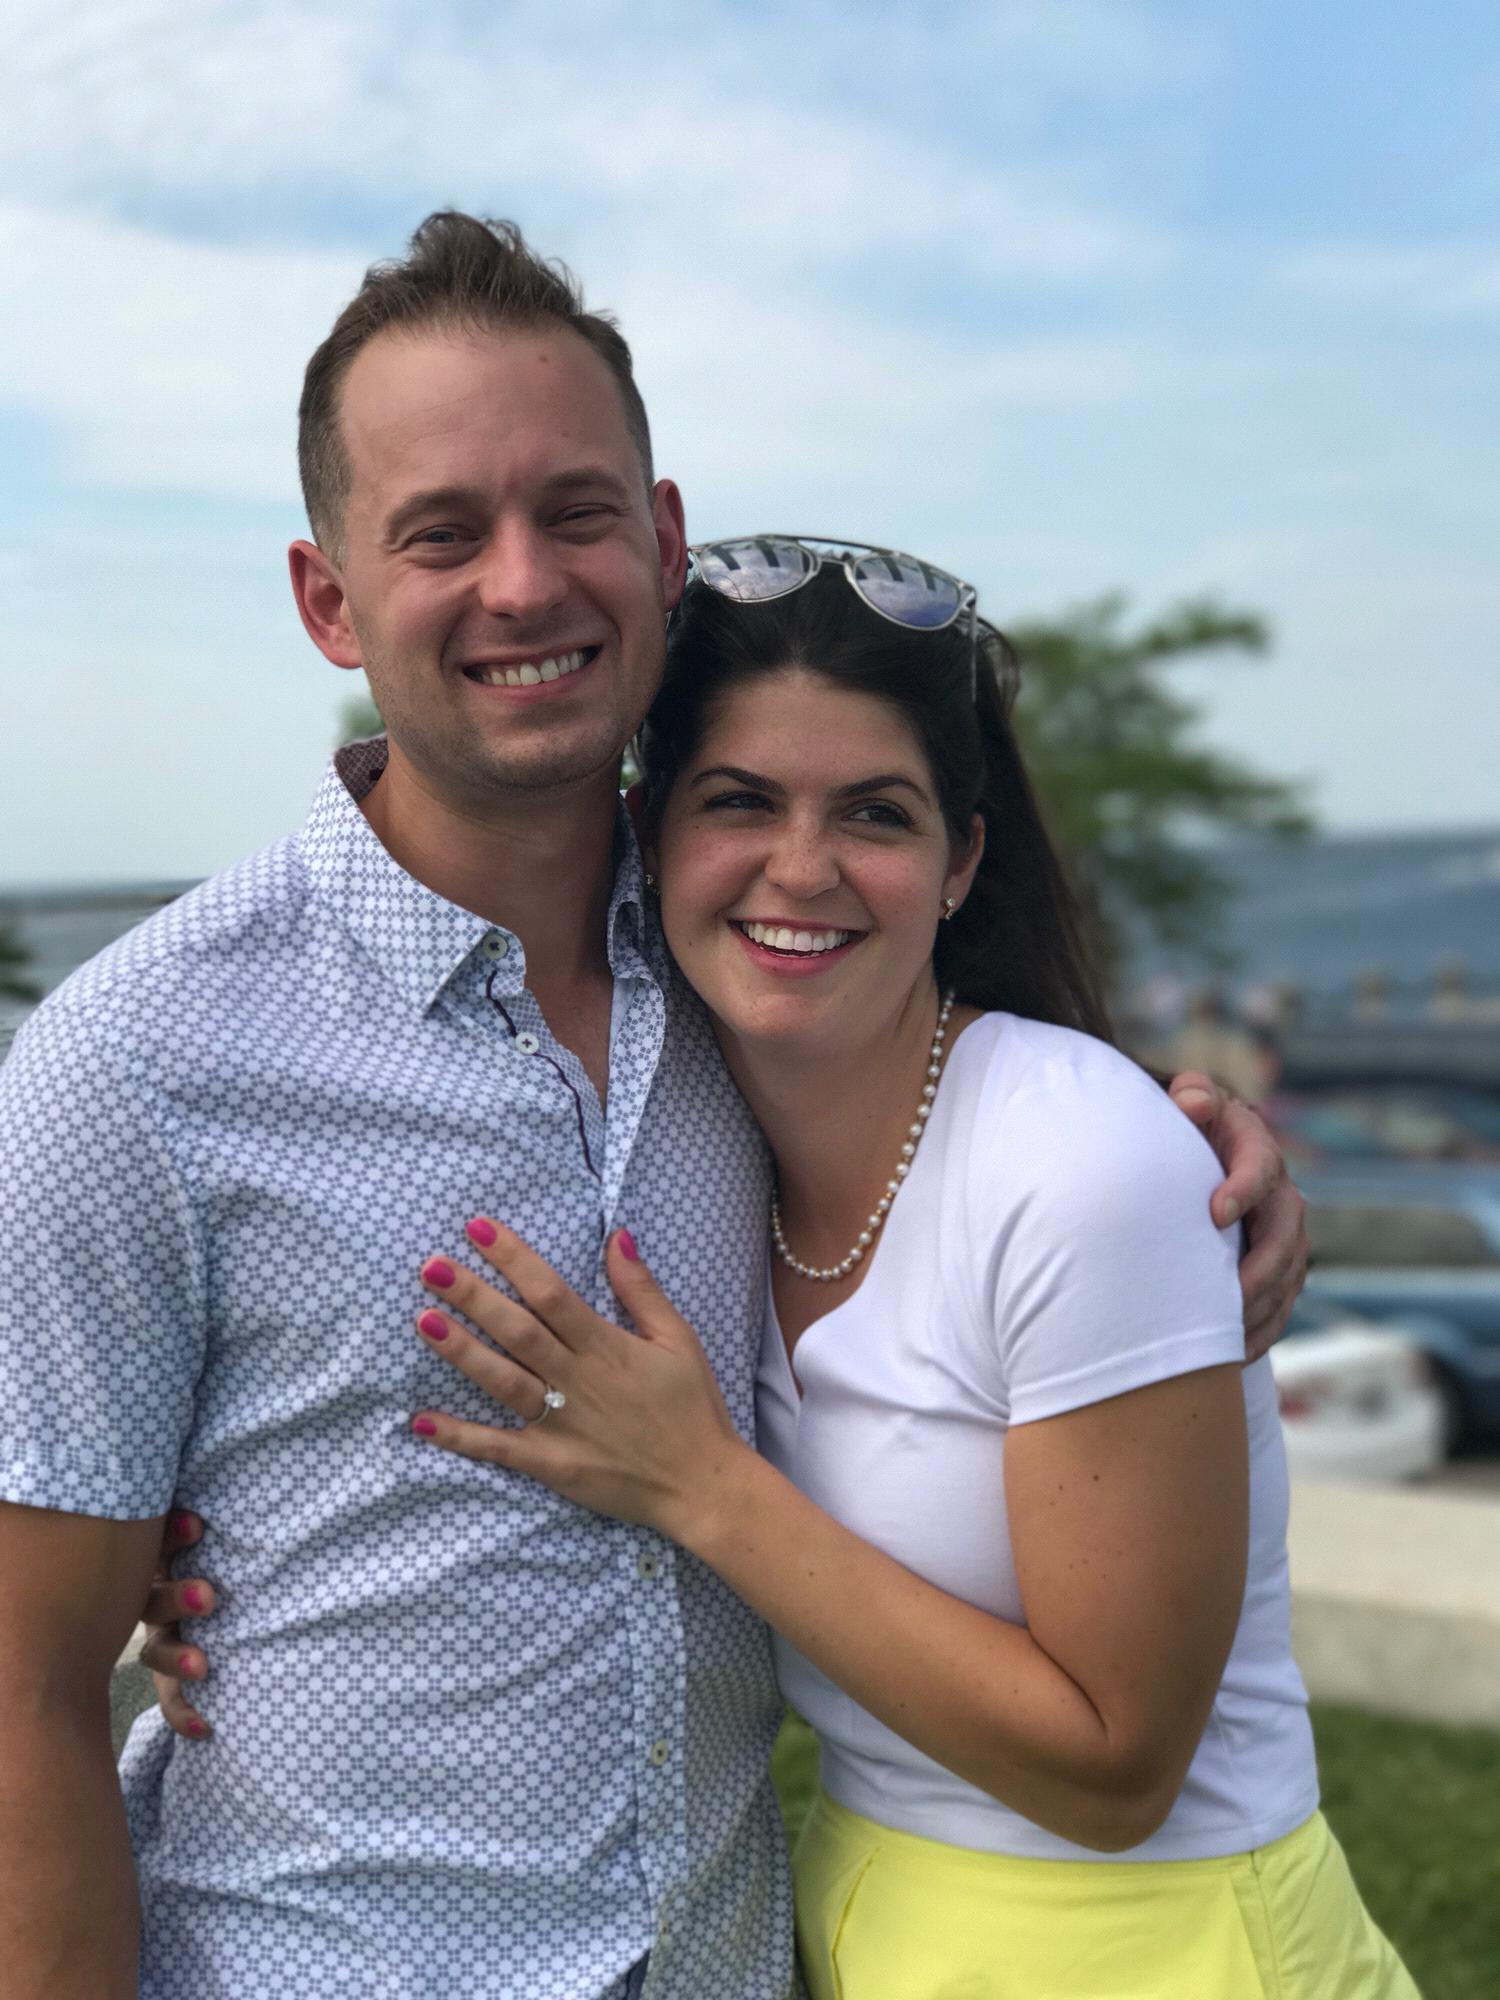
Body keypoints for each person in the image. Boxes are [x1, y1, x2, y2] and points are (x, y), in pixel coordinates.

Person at [0, 215, 1303, 2000]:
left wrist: (1181, 1147)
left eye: (578, 513)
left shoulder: (744, 969)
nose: (523, 584)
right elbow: (27, 1697)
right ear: (329, 601)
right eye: (441, 533)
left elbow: (970, 1132)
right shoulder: (134, 1067)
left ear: (664, 545)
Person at [348, 551, 1405, 1997]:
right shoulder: (691, 1138)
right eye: (739, 802)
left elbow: (1118, 1770)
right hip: (868, 1920)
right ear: (649, 834)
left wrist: (702, 1484)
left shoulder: (1079, 1164)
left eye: (874, 814)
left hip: (1163, 1945)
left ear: (961, 862)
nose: (803, 868)